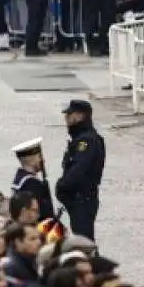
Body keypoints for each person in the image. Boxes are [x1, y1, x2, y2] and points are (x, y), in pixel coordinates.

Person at [55, 100, 105, 241]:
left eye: (69, 115)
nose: (66, 118)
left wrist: (63, 185)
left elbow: (79, 168)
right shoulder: (80, 137)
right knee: (82, 240)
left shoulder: (86, 141)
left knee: (84, 242)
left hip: (83, 198)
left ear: (79, 116)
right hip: (79, 198)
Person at [10, 138, 55, 222]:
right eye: (40, 157)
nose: (43, 160)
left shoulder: (20, 178)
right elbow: (44, 214)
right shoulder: (32, 183)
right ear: (32, 160)